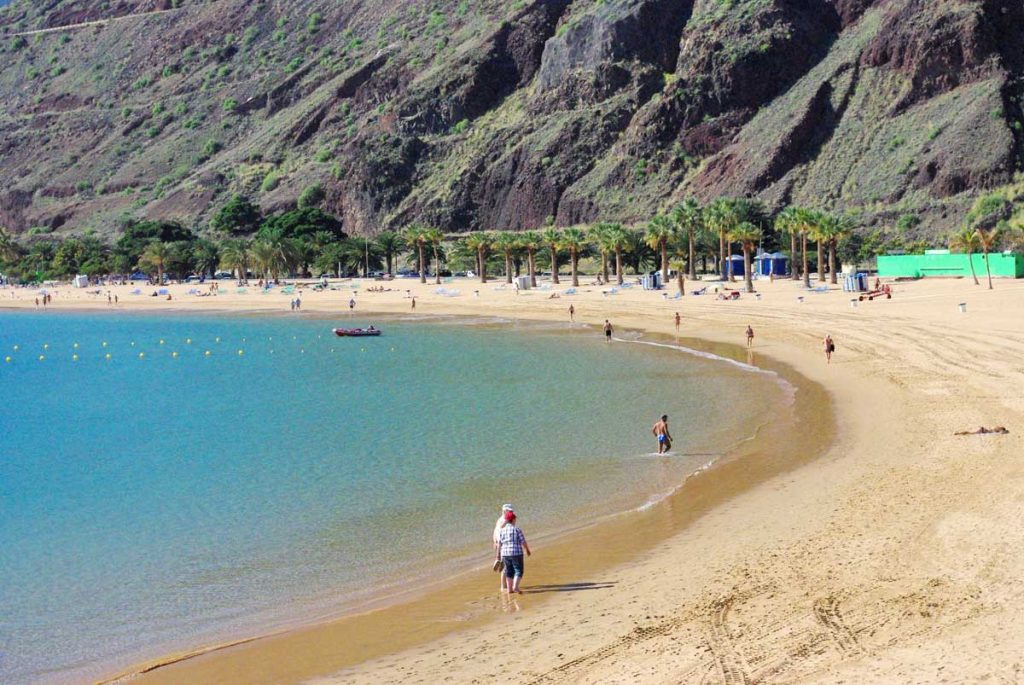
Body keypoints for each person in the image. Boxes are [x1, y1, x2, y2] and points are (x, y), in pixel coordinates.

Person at [498, 510, 531, 594]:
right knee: (519, 570)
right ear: (513, 520)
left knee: (509, 571)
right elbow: (523, 541)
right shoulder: (517, 530)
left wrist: (498, 555)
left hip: (505, 553)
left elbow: (499, 543)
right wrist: (527, 550)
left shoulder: (501, 531)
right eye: (515, 519)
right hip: (516, 553)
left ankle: (509, 589)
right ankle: (515, 587)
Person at [492, 503, 514, 592]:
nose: (510, 512)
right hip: (502, 544)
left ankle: (505, 585)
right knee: (505, 566)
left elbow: (494, 531)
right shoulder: (503, 520)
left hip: (501, 543)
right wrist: (496, 542)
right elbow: (498, 533)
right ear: (504, 511)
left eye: (511, 510)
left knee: (505, 565)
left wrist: (494, 541)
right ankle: (503, 586)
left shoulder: (501, 519)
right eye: (509, 510)